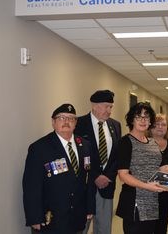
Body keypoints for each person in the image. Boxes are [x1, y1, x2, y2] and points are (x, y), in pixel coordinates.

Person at [116, 102, 168, 234]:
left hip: (152, 203)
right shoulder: (126, 142)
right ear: (131, 120)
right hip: (135, 203)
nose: (143, 120)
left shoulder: (152, 143)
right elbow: (123, 175)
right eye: (138, 117)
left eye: (146, 117)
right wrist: (147, 186)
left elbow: (161, 170)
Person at [23, 103, 95, 234]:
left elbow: (89, 180)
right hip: (50, 218)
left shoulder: (85, 145)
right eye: (62, 118)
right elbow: (31, 186)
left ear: (76, 122)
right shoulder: (39, 148)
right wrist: (34, 217)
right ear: (53, 122)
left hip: (77, 217)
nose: (67, 121)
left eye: (71, 118)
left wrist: (89, 208)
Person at [75, 90, 121, 234]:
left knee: (104, 228)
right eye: (106, 106)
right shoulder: (79, 124)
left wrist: (108, 176)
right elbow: (77, 155)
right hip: (85, 185)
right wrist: (95, 176)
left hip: (106, 186)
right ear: (94, 106)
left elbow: (116, 155)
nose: (109, 111)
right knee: (81, 227)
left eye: (111, 107)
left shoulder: (115, 125)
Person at [149, 113, 168, 234]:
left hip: (166, 196)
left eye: (163, 124)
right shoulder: (144, 143)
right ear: (151, 126)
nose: (160, 127)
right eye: (157, 124)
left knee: (162, 228)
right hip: (147, 196)